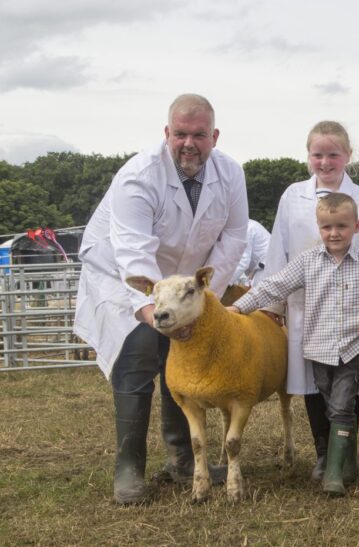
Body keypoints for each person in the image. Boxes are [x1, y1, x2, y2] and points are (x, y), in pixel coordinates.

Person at [73, 94, 249, 504]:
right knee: (139, 350)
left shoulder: (231, 173)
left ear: (214, 136)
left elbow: (235, 236)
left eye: (199, 135)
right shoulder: (139, 175)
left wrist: (201, 303)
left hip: (184, 284)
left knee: (185, 353)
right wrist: (162, 312)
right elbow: (134, 255)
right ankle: (129, 467)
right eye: (181, 134)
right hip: (122, 275)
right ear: (166, 133)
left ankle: (183, 460)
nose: (189, 143)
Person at [229, 192, 359, 496]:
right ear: (319, 227)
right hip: (318, 351)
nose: (334, 233)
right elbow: (274, 285)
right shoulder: (307, 262)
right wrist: (239, 307)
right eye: (327, 227)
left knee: (340, 408)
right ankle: (349, 461)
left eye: (341, 226)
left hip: (353, 349)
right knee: (334, 407)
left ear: (356, 226)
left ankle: (333, 476)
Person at [257, 121, 359, 483]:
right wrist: (272, 305)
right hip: (305, 306)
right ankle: (323, 451)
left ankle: (346, 454)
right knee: (313, 381)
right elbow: (278, 250)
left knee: (348, 380)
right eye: (318, 154)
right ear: (308, 155)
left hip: (349, 306)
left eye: (333, 154)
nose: (325, 162)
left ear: (347, 156)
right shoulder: (292, 195)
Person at [230, 219, 271, 286]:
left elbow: (243, 262)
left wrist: (225, 283)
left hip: (266, 267)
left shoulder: (246, 228)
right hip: (262, 267)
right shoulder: (244, 226)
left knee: (258, 294)